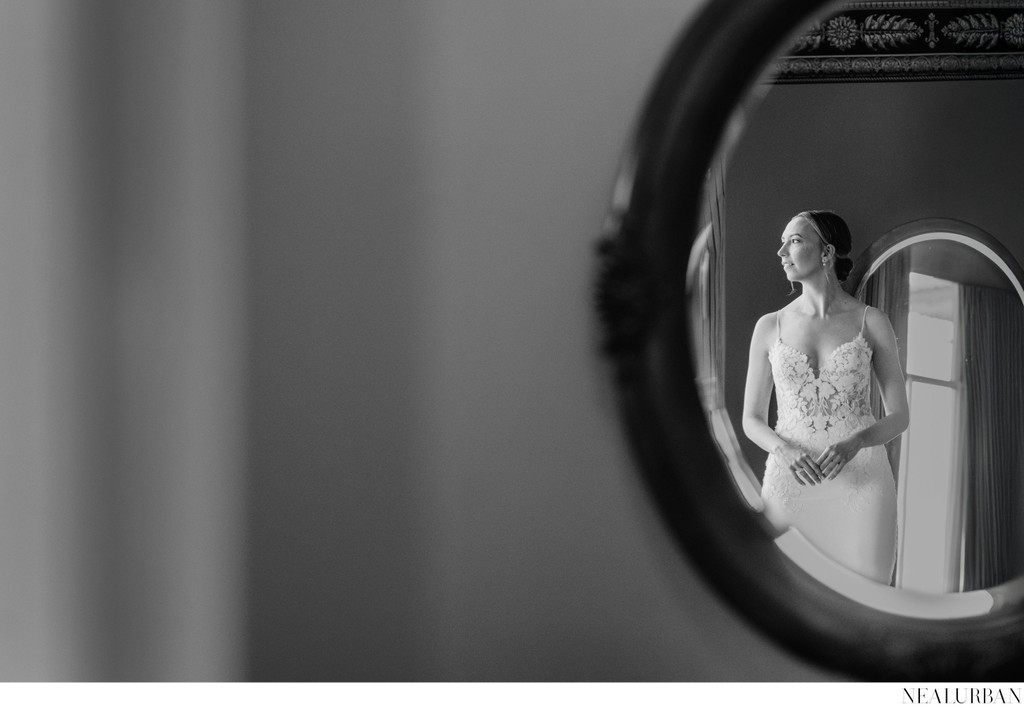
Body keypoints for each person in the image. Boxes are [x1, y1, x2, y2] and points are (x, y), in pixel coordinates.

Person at [742, 210, 909, 584]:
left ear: (826, 252)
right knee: (784, 594)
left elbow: (900, 415)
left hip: (863, 484)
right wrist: (784, 450)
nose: (782, 251)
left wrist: (856, 442)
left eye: (795, 240)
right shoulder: (770, 326)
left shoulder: (872, 321)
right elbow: (751, 419)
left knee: (867, 602)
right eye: (783, 242)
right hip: (791, 484)